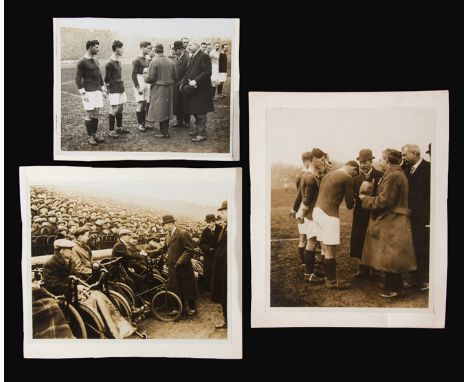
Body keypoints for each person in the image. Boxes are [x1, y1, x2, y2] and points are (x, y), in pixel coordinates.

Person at [42, 239, 135, 338]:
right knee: (93, 299)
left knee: (99, 296)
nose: (72, 251)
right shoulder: (50, 264)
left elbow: (77, 277)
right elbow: (52, 285)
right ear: (61, 251)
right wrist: (75, 287)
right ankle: (104, 328)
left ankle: (114, 327)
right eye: (69, 249)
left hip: (74, 291)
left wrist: (83, 286)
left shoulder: (70, 261)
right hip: (64, 294)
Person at [360, 149, 417, 298]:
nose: (379, 161)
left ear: (387, 160)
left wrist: (364, 199)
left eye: (381, 159)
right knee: (393, 255)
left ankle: (394, 289)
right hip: (395, 219)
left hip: (392, 220)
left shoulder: (393, 176)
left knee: (390, 255)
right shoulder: (397, 174)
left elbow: (385, 201)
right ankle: (395, 286)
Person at [312, 161, 359, 289]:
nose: (354, 176)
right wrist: (359, 195)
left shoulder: (328, 174)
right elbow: (350, 205)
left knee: (323, 248)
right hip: (329, 215)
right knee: (331, 251)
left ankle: (324, 276)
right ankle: (331, 282)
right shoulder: (347, 177)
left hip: (317, 211)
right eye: (355, 173)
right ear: (353, 168)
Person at [350, 149, 383, 279]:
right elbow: (353, 196)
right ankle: (363, 268)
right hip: (360, 213)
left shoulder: (380, 175)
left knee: (374, 239)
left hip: (375, 212)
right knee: (360, 239)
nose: (362, 165)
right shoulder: (356, 178)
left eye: (365, 162)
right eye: (361, 162)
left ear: (371, 161)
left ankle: (376, 268)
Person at [402, 144, 431, 291]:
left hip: (422, 217)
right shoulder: (406, 170)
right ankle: (414, 278)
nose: (403, 158)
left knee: (422, 247)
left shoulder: (429, 169)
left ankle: (424, 280)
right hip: (410, 216)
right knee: (411, 247)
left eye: (405, 155)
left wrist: (427, 216)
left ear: (415, 153)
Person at [295, 149, 326, 282]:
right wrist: (302, 214)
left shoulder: (306, 175)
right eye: (321, 159)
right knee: (311, 243)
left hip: (309, 215)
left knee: (310, 242)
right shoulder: (311, 178)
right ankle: (309, 274)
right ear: (313, 159)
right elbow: (307, 199)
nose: (323, 162)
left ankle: (309, 271)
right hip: (311, 215)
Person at [159, 214, 198, 316]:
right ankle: (178, 308)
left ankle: (192, 307)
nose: (163, 227)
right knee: (174, 287)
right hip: (172, 266)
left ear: (171, 223)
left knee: (187, 287)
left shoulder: (183, 233)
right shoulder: (167, 236)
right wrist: (154, 252)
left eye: (165, 224)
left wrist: (180, 261)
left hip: (183, 265)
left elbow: (189, 249)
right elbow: (164, 248)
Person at [75, 40, 107, 146]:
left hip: (97, 91)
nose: (98, 49)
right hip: (88, 92)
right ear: (90, 47)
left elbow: (99, 75)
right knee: (89, 113)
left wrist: (103, 88)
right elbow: (78, 79)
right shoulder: (81, 62)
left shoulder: (95, 59)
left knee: (96, 113)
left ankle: (94, 134)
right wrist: (83, 93)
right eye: (96, 47)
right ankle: (90, 137)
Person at [181, 40, 214, 142]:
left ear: (197, 45)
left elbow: (207, 72)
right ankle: (197, 129)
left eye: (190, 45)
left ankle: (202, 134)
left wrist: (196, 81)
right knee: (195, 109)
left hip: (201, 88)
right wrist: (184, 83)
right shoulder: (193, 56)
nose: (188, 47)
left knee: (201, 111)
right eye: (188, 46)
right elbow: (190, 72)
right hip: (193, 88)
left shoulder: (203, 56)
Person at [144, 44, 176, 139]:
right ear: (162, 50)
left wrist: (145, 75)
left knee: (160, 109)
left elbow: (150, 78)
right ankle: (165, 131)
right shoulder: (171, 62)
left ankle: (164, 132)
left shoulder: (154, 61)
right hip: (169, 88)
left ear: (154, 51)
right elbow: (175, 76)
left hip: (159, 88)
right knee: (166, 109)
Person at [291, 152, 311, 268]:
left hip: (302, 207)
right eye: (310, 160)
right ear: (306, 161)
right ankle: (304, 261)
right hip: (303, 208)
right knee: (304, 237)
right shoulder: (303, 175)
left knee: (306, 237)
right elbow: (300, 195)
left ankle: (306, 259)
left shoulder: (302, 174)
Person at [105, 40, 129, 137]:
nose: (123, 50)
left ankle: (119, 128)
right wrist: (107, 89)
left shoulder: (119, 61)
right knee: (113, 108)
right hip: (114, 89)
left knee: (120, 108)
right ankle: (111, 131)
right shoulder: (109, 63)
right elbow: (107, 79)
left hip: (121, 88)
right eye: (121, 48)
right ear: (116, 49)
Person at [211, 201, 228, 329]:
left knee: (227, 293)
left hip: (227, 267)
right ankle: (227, 319)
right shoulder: (227, 226)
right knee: (224, 293)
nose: (221, 215)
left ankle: (229, 320)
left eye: (223, 212)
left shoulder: (234, 226)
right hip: (222, 267)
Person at [199, 213, 223, 292]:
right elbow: (201, 243)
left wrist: (217, 249)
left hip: (218, 255)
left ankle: (218, 289)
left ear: (214, 222)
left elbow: (223, 242)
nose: (208, 224)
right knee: (208, 272)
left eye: (209, 222)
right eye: (207, 222)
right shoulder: (205, 231)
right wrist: (209, 248)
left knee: (218, 272)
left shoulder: (220, 229)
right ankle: (209, 289)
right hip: (208, 256)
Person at [132, 41, 152, 132]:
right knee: (140, 104)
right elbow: (133, 75)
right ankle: (140, 124)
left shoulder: (147, 59)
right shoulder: (136, 60)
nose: (150, 50)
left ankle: (144, 124)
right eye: (148, 48)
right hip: (139, 81)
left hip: (146, 81)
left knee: (145, 103)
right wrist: (138, 86)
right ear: (142, 48)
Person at [172, 40, 191, 128]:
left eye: (176, 50)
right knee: (177, 103)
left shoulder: (187, 58)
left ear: (181, 50)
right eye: (174, 50)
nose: (175, 52)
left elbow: (188, 73)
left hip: (184, 84)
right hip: (175, 84)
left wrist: (182, 82)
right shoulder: (175, 59)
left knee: (185, 103)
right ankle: (179, 121)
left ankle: (187, 121)